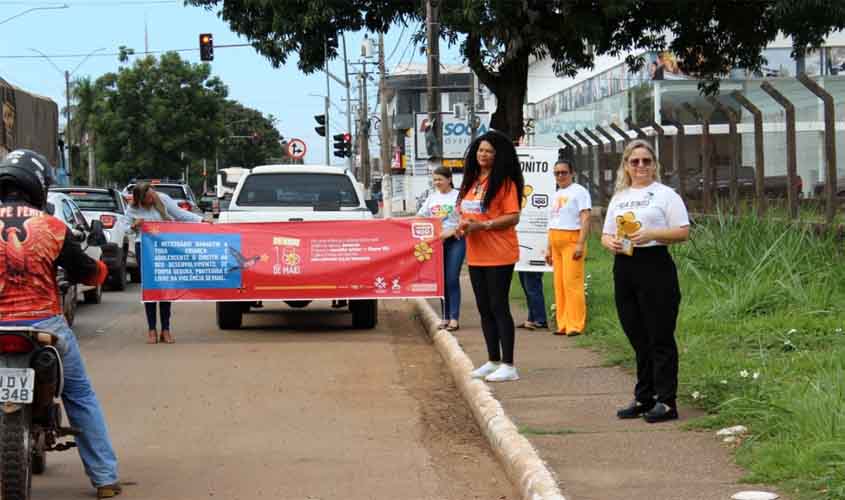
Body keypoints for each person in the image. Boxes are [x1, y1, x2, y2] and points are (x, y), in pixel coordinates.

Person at [0, 149, 122, 498]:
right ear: (38, 186)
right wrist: (101, 271)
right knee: (79, 395)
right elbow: (86, 272)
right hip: (43, 325)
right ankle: (104, 478)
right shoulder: (51, 226)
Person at [600, 139, 690, 423]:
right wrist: (609, 243)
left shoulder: (665, 195)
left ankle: (666, 401)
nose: (640, 166)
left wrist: (653, 234)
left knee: (659, 335)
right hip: (624, 265)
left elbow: (683, 231)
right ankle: (644, 396)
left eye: (646, 161)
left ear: (654, 165)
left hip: (655, 265)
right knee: (636, 334)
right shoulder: (620, 197)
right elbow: (605, 233)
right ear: (626, 166)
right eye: (634, 161)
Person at [457, 130, 524, 383]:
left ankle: (509, 364)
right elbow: (466, 213)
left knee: (498, 306)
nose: (483, 154)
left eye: (489, 151)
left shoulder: (505, 183)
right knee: (484, 308)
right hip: (476, 254)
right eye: (480, 150)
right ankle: (493, 360)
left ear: (498, 156)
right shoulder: (472, 182)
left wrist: (484, 226)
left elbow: (513, 216)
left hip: (499, 254)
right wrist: (462, 226)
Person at [127, 181, 203, 344]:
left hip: (164, 246)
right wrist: (134, 225)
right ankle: (151, 329)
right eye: (148, 198)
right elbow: (126, 230)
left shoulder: (163, 199)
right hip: (145, 247)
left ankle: (166, 329)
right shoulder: (133, 207)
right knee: (150, 288)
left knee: (165, 286)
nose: (152, 199)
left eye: (152, 195)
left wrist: (201, 220)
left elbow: (180, 214)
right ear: (140, 199)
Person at [545, 159, 591, 336]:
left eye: (564, 172)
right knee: (559, 285)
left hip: (572, 239)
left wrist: (580, 243)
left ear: (572, 173)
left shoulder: (579, 191)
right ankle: (563, 323)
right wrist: (548, 248)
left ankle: (575, 324)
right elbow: (552, 222)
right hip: (555, 240)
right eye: (557, 173)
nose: (560, 176)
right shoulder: (556, 194)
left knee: (572, 284)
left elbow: (585, 217)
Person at [417, 166, 464, 331]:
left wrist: (452, 231)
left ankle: (454, 318)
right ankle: (445, 317)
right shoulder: (432, 198)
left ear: (449, 179)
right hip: (437, 243)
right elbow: (420, 217)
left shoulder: (459, 196)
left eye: (440, 179)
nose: (437, 182)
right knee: (441, 280)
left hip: (456, 241)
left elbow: (466, 218)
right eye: (435, 180)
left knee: (452, 278)